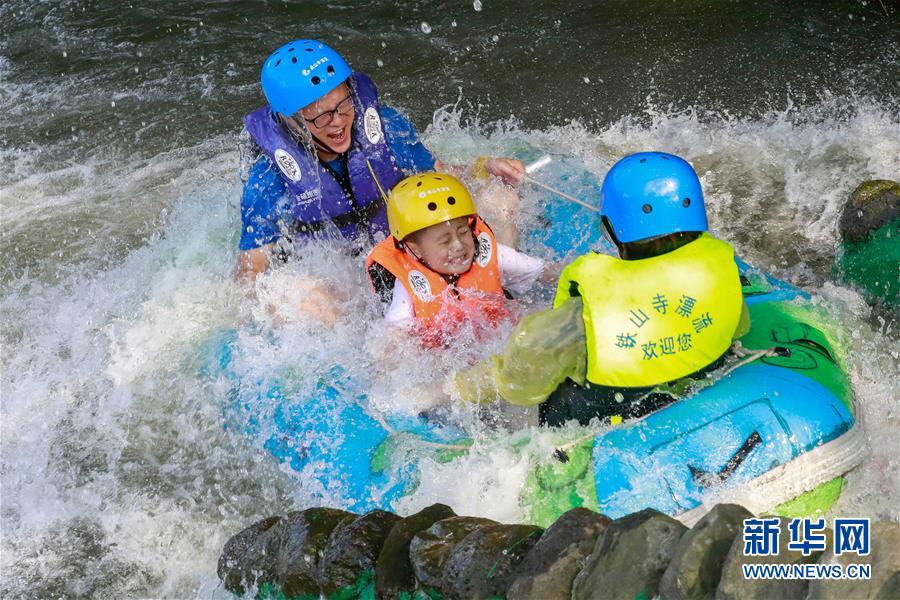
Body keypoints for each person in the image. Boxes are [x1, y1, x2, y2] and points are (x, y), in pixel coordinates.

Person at [453, 151, 751, 426]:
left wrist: (451, 387)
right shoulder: (720, 266)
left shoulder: (584, 315)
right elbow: (738, 328)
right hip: (698, 381)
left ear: (611, 230)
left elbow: (518, 383)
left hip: (606, 415)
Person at [235, 39, 526, 285]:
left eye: (343, 105)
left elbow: (441, 174)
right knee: (302, 296)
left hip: (398, 248)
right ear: (294, 122)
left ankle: (500, 289)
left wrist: (484, 168)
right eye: (322, 116)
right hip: (335, 276)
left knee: (500, 200)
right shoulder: (267, 180)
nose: (339, 123)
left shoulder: (385, 129)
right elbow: (250, 274)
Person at [365, 172, 554, 347]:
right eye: (444, 241)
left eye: (463, 232)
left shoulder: (490, 254)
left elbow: (544, 272)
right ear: (415, 249)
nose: (458, 245)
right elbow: (394, 338)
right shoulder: (409, 285)